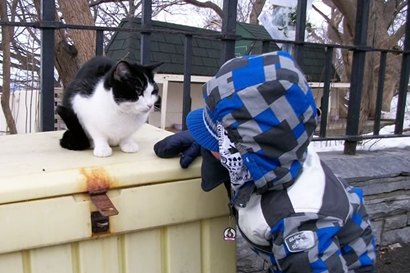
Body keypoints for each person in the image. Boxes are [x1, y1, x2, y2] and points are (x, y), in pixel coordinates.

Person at [154, 51, 376, 273]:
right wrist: (208, 141)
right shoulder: (284, 152)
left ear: (245, 154)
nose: (213, 148)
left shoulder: (300, 226)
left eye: (217, 141)